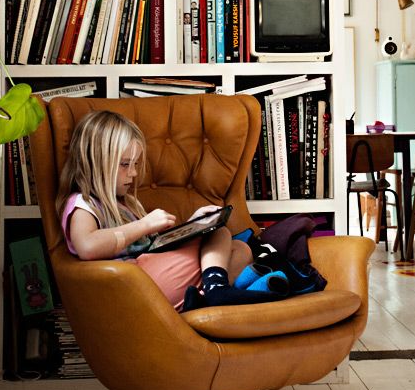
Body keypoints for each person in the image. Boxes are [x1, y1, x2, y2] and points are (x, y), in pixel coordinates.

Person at [56, 110, 284, 312]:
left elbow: (152, 247)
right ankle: (217, 290)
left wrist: (191, 228)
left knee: (238, 247)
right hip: (135, 285)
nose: (134, 173)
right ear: (96, 162)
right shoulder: (82, 203)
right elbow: (87, 247)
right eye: (125, 164)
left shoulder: (127, 203)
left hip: (156, 274)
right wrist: (144, 224)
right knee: (220, 240)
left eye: (135, 164)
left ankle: (210, 295)